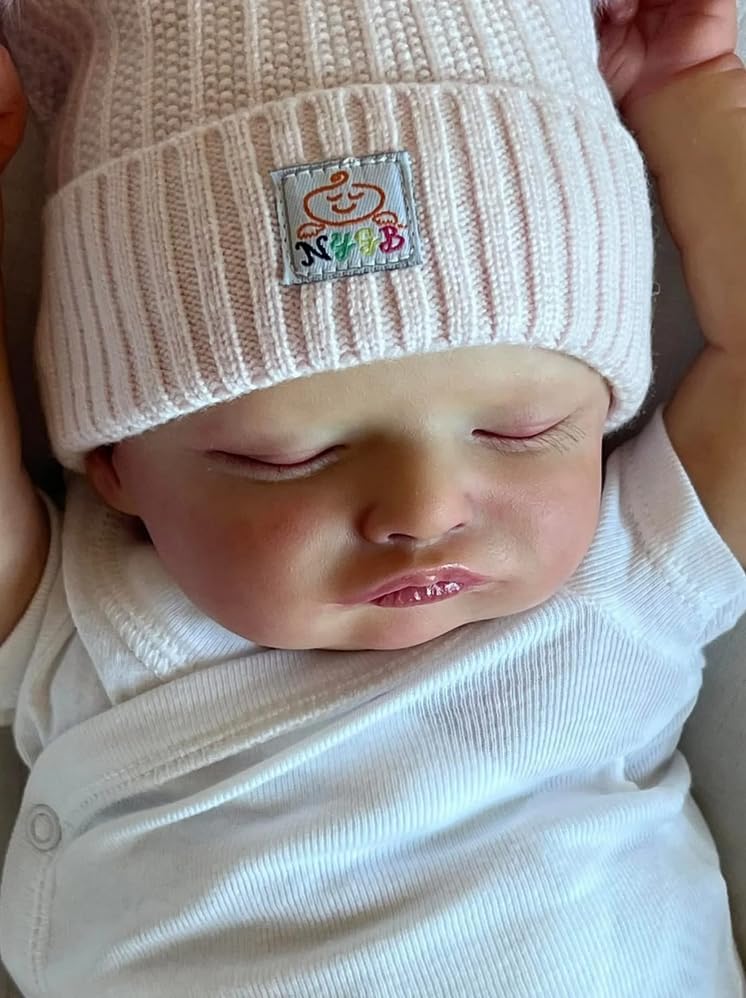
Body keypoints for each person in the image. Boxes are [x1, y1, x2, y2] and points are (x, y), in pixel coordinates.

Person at [0, 0, 744, 993]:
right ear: (116, 465)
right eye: (289, 458)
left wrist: (690, 98)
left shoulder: (627, 581)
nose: (424, 509)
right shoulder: (91, 628)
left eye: (518, 433)